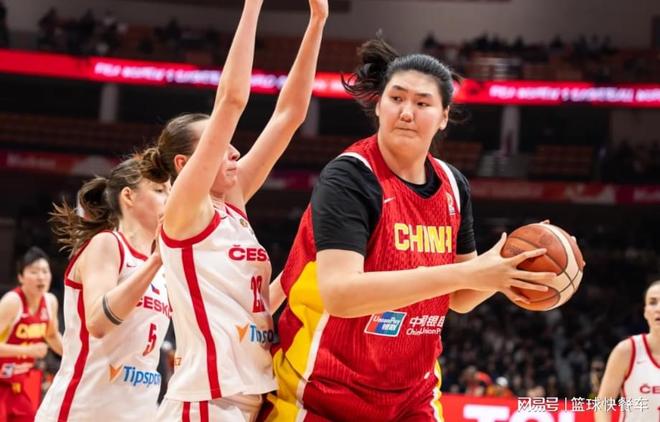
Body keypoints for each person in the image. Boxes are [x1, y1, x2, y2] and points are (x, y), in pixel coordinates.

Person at [263, 38, 555, 421]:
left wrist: (508, 269)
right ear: (378, 105)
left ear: (444, 116)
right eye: (397, 98)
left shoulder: (453, 185)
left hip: (412, 397)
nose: (406, 112)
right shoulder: (349, 177)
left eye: (422, 103)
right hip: (320, 392)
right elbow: (340, 295)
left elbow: (460, 297)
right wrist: (469, 272)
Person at [138, 0, 327, 420]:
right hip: (207, 401)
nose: (235, 151)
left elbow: (289, 115)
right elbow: (231, 100)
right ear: (186, 165)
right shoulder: (185, 212)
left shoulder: (232, 205)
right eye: (220, 146)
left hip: (250, 395)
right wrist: (253, 6)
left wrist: (318, 21)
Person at [35, 157, 170, 422]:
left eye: (171, 190)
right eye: (159, 190)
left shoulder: (163, 267)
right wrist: (157, 260)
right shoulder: (107, 244)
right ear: (128, 196)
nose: (170, 198)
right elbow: (97, 322)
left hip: (138, 413)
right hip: (82, 412)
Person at [0, 247, 62, 422]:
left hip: (21, 383)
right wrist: (28, 351)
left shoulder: (50, 302)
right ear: (21, 277)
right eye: (34, 272)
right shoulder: (12, 302)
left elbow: (52, 336)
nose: (41, 277)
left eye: (45, 271)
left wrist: (76, 356)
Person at [595, 279, 660, 422]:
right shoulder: (627, 351)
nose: (658, 308)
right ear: (645, 312)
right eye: (653, 302)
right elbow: (603, 403)